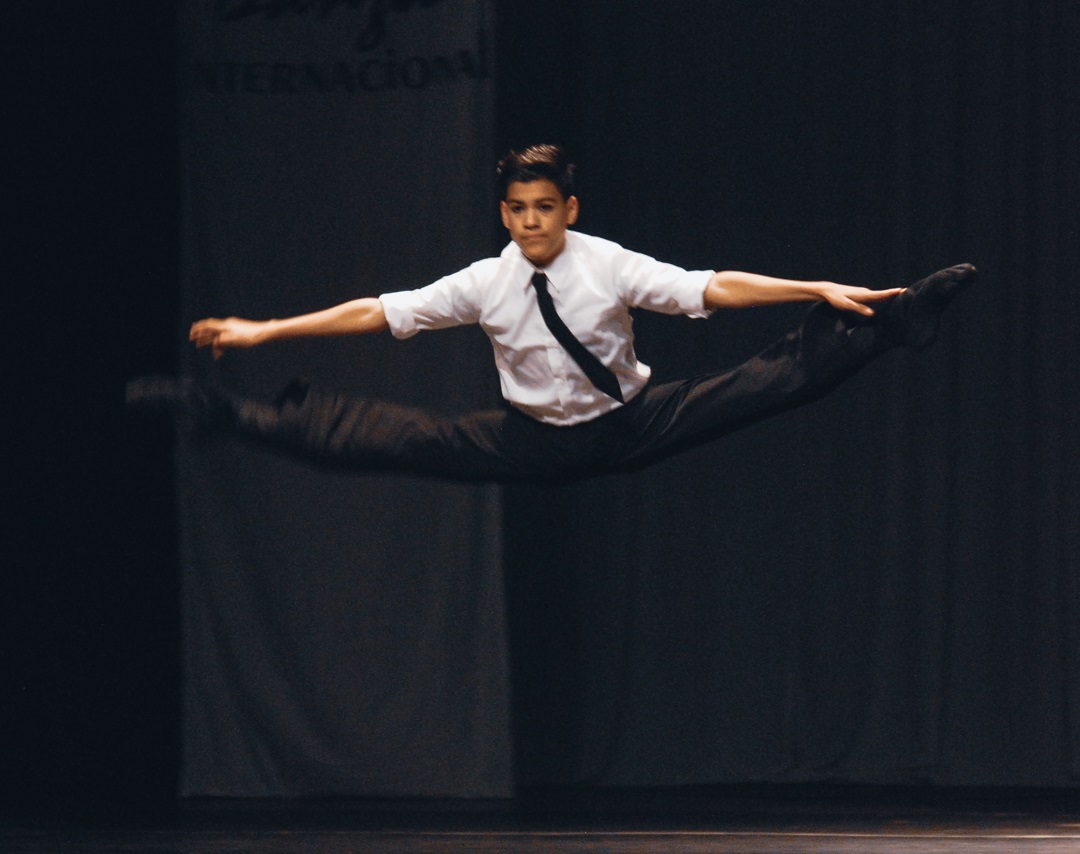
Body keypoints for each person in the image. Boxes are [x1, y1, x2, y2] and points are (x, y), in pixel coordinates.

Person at [128, 144, 975, 483]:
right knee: (381, 442)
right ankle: (221, 413)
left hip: (631, 422)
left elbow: (707, 286)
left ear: (569, 206)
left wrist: (815, 288)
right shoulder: (485, 281)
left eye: (545, 207)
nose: (532, 222)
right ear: (504, 214)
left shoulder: (605, 262)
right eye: (517, 209)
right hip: (529, 439)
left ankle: (897, 320)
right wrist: (264, 331)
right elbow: (378, 313)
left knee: (772, 381)